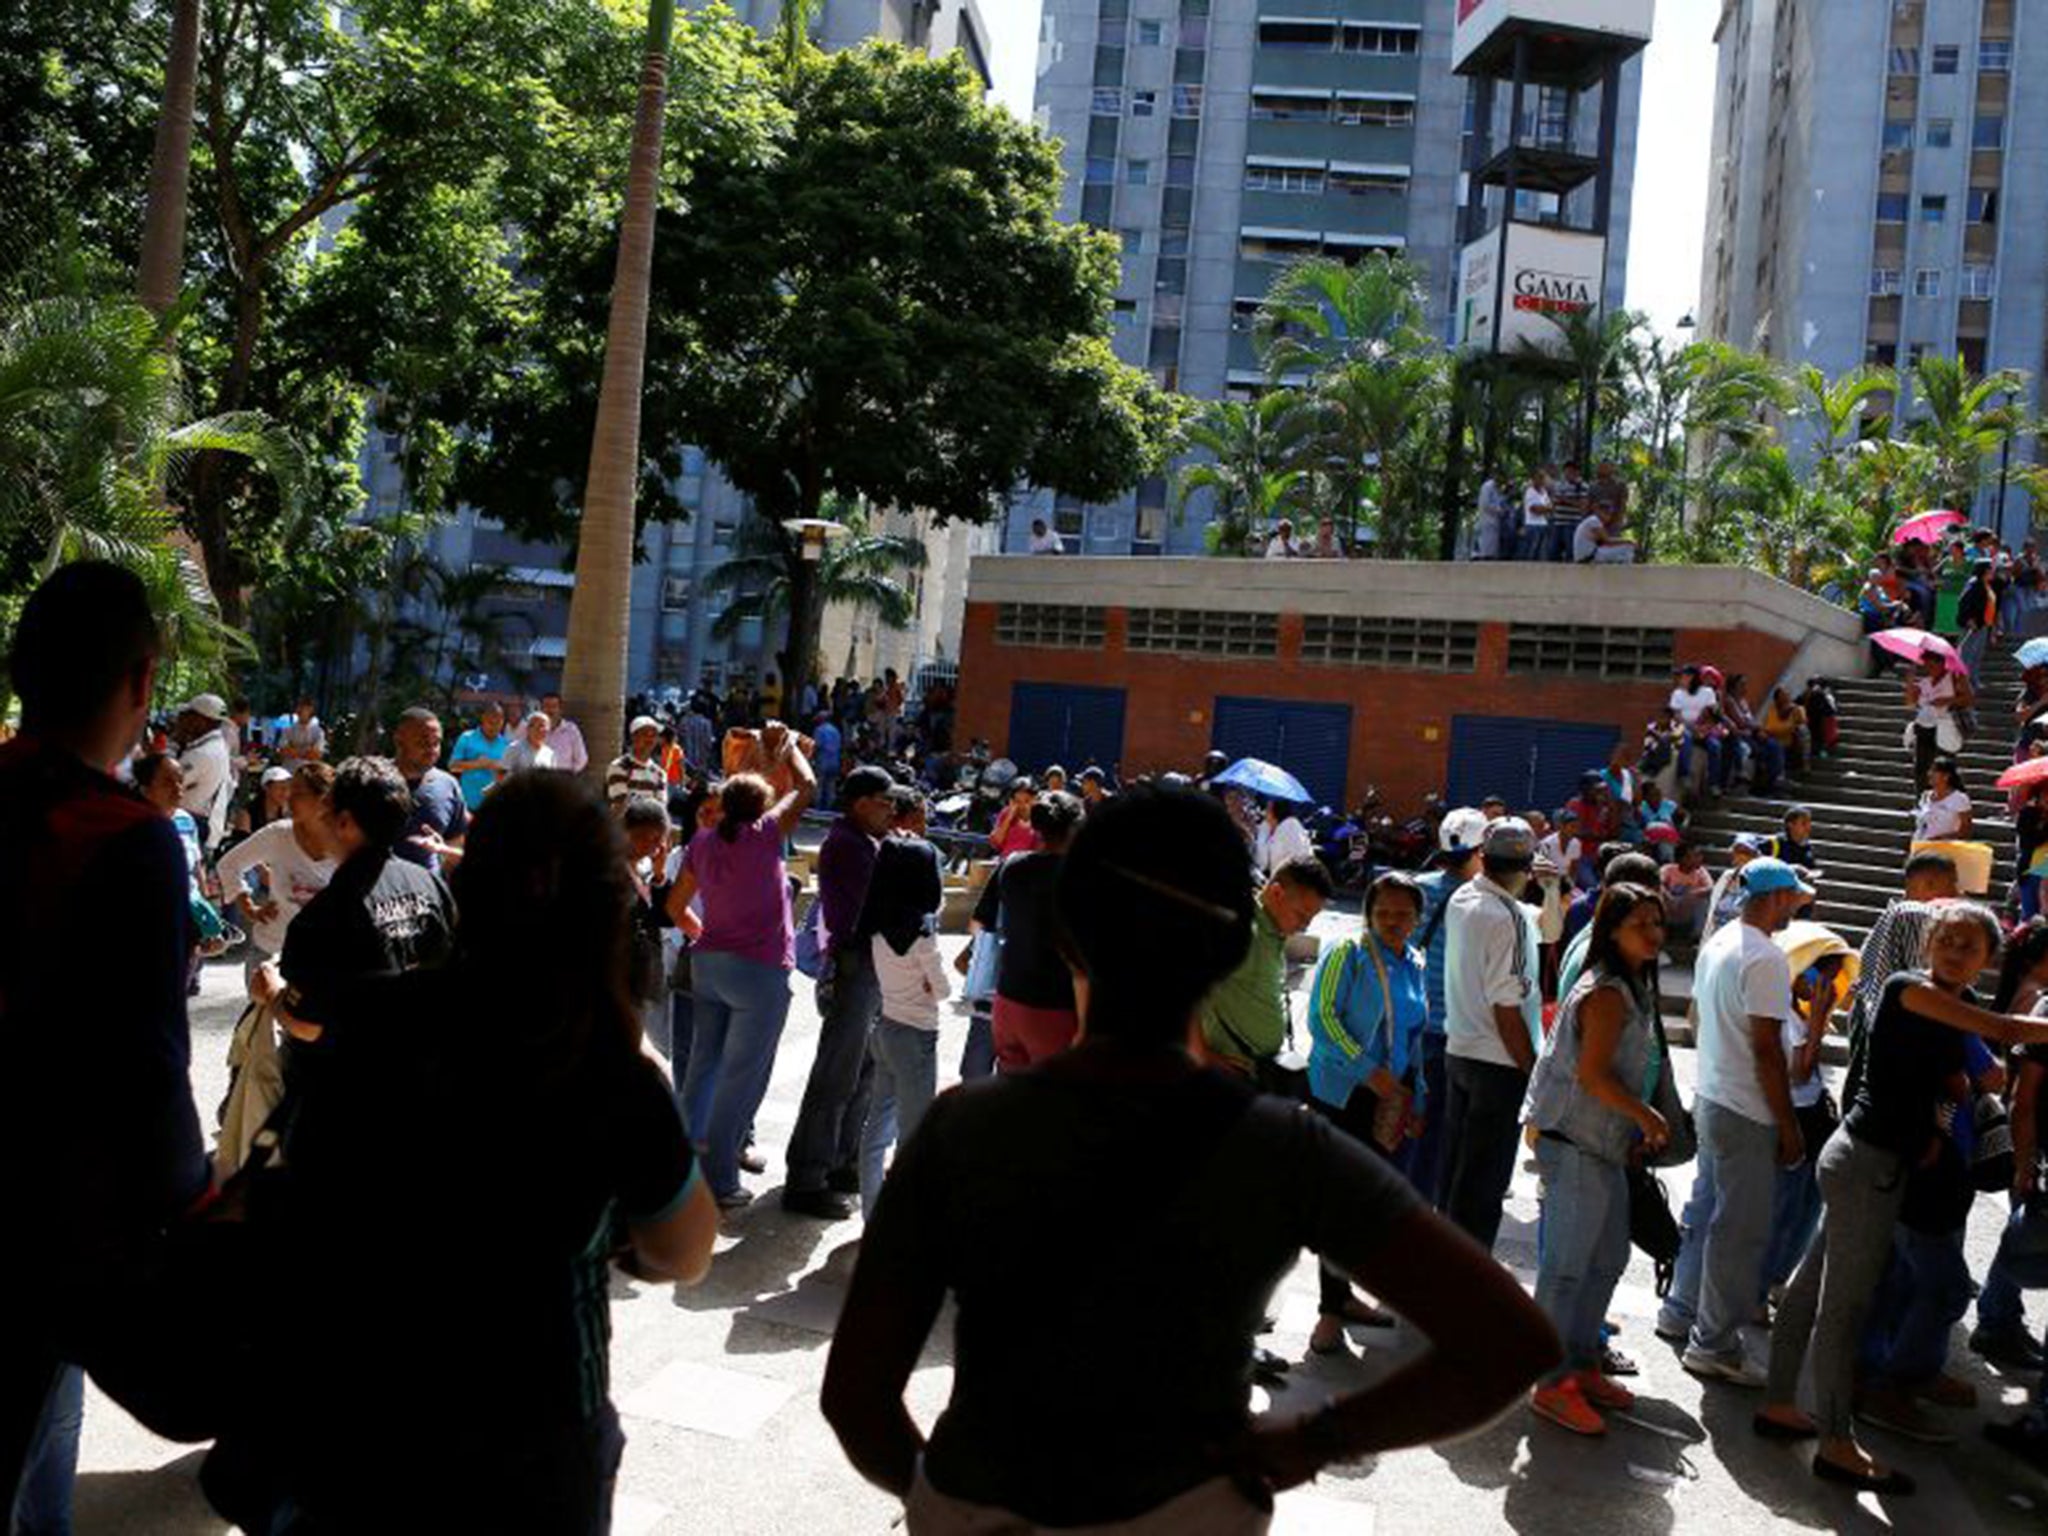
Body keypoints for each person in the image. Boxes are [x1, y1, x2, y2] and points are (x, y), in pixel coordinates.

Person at [820, 786, 1563, 1530]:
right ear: (1234, 950)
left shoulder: (964, 1129)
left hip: (979, 1497)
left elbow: (855, 1397)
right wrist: (1315, 1438)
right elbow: (1509, 1340)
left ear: (1066, 937)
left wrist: (944, 1500)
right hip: (1190, 1507)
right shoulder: (1281, 1150)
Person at [234, 770, 719, 1531]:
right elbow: (686, 1250)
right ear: (604, 909)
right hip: (535, 1440)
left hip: (366, 1423)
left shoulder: (374, 1022)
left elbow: (312, 1186)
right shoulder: (610, 1071)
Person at [0, 564, 213, 1523]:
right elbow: (147, 1066)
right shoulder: (128, 842)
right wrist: (196, 1206)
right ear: (140, 684)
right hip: (46, 1211)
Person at [1756, 904, 2048, 1494]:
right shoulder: (1907, 987)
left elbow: (1973, 1072)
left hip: (1862, 1162)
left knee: (1812, 1287)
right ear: (1927, 944)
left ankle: (1781, 1403)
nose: (1957, 950)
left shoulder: (1945, 1011)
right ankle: (1836, 1442)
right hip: (1867, 1166)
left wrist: (1945, 1108)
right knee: (1843, 1308)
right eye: (1948, 939)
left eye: (1971, 946)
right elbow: (2006, 1035)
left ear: (1988, 960)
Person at [1523, 884, 1674, 1435]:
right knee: (1565, 1268)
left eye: (1658, 923)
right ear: (1612, 930)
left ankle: (1581, 1363)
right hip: (1575, 1139)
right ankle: (1550, 1383)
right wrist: (1645, 1115)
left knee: (1607, 1258)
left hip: (1603, 1143)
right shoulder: (1608, 991)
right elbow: (1590, 1076)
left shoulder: (1633, 985)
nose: (1654, 933)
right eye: (1641, 924)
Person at [1655, 859, 1810, 1385]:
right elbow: (1768, 1050)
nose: (1798, 905)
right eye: (1794, 897)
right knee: (1737, 1232)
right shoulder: (1764, 956)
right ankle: (1714, 1343)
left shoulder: (1721, 940)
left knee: (1706, 1213)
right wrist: (1787, 1126)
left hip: (1715, 1096)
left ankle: (1680, 1311)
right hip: (1745, 1107)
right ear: (1774, 898)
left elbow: (1705, 1020)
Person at [667, 732, 817, 1208]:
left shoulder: (702, 843)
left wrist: (704, 935)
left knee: (702, 1071)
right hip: (759, 972)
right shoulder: (767, 833)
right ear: (762, 806)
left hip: (708, 965)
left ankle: (683, 1170)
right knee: (739, 1078)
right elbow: (809, 786)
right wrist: (790, 747)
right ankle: (720, 1180)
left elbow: (675, 906)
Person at [1306, 872, 1429, 1356]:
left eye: (1403, 913)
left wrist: (1414, 1096)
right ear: (1368, 914)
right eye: (1383, 913)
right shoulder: (1348, 953)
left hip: (1385, 1098)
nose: (1393, 922)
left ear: (1418, 916)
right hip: (1341, 1095)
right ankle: (1329, 1313)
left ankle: (1345, 1296)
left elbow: (1415, 1036)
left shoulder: (1414, 962)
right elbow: (1322, 1018)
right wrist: (1367, 1070)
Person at [785, 764, 896, 1220]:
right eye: (885, 801)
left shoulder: (866, 843)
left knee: (864, 1073)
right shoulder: (848, 846)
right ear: (862, 802)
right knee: (836, 1077)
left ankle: (842, 1163)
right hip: (856, 970)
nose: (892, 809)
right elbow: (865, 914)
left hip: (873, 970)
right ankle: (807, 1177)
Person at [1439, 817, 1544, 1251]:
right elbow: (1507, 1010)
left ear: (1483, 857)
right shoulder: (1509, 918)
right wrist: (1534, 1074)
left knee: (1456, 1181)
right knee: (1482, 1191)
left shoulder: (1462, 898)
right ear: (1527, 868)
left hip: (1459, 1052)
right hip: (1498, 1063)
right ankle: (1463, 1293)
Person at [856, 791, 948, 1218]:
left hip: (886, 1027)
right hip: (917, 1037)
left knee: (877, 1128)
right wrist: (932, 984)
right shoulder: (923, 936)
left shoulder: (874, 930)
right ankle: (906, 1224)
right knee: (914, 1137)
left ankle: (874, 1213)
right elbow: (944, 990)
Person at [1760, 924, 1855, 1303]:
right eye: (1819, 975)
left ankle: (1776, 1279)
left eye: (1831, 979)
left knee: (1807, 1207)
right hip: (1794, 1119)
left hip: (1812, 1115)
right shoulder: (1784, 1014)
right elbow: (1797, 1073)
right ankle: (1763, 1283)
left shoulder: (1797, 1011)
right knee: (1786, 1208)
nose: (1825, 986)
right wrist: (1816, 1023)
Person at [1405, 809, 1487, 1201]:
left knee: (1403, 1125)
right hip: (1446, 1034)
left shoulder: (1414, 888)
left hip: (1406, 1027)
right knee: (1434, 1135)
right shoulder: (1480, 903)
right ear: (1480, 850)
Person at [972, 793, 1087, 1071]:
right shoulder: (1081, 879)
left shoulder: (1011, 866)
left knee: (1012, 1097)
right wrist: (1085, 1026)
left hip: (1008, 1000)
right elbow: (1080, 965)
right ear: (1075, 828)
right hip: (1054, 1009)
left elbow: (980, 923)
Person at [1198, 857, 1332, 1086]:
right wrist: (1205, 1058)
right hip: (1224, 1074)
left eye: (1310, 920)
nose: (1304, 927)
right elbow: (1178, 988)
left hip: (1256, 1070)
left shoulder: (1273, 930)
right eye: (1301, 915)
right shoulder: (1241, 930)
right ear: (1277, 893)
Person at [215, 762, 337, 979]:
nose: (289, 797)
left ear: (324, 799)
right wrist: (249, 908)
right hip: (270, 954)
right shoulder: (278, 834)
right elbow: (229, 865)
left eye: (298, 792)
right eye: (288, 789)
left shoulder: (346, 840)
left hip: (324, 960)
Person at [390, 707, 467, 876]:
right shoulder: (374, 780)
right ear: (399, 740)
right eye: (423, 742)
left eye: (436, 742)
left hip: (426, 895)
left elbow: (456, 843)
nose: (432, 749)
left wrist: (438, 880)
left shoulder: (448, 785)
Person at [172, 692, 235, 851]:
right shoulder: (215, 746)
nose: (182, 720)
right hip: (198, 828)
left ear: (200, 721)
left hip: (191, 831)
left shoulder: (203, 753)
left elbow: (162, 783)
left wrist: (170, 746)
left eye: (188, 716)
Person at [1905, 652, 1970, 794]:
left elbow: (1968, 699)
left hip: (1944, 729)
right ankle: (1922, 802)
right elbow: (1910, 703)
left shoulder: (1954, 677)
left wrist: (1947, 700)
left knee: (1944, 768)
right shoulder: (1924, 682)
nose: (1928, 668)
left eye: (1931, 665)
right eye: (1926, 665)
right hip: (1923, 728)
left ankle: (1952, 800)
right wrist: (1910, 682)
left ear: (1942, 663)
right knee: (1921, 768)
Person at [1669, 666, 1722, 798]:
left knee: (1715, 746)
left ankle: (1713, 783)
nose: (1681, 680)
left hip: (1702, 729)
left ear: (1692, 678)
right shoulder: (1677, 694)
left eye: (1684, 677)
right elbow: (1677, 716)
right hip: (1685, 728)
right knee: (1685, 737)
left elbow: (1713, 714)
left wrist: (1705, 728)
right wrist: (1693, 728)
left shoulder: (1708, 692)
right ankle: (1684, 775)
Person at [448, 702, 511, 810]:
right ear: (483, 719)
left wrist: (500, 767)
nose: (494, 726)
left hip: (496, 805)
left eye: (498, 723)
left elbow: (510, 774)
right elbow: (453, 767)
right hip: (468, 805)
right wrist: (479, 764)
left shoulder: (507, 744)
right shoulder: (466, 737)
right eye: (490, 722)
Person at [606, 715, 668, 814]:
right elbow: (620, 806)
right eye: (645, 734)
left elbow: (660, 808)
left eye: (654, 734)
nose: (650, 738)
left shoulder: (660, 773)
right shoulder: (619, 766)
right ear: (633, 737)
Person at [1913, 755, 1973, 843]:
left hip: (1946, 850)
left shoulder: (1960, 799)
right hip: (1922, 848)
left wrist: (1941, 839)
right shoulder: (1925, 796)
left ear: (1946, 776)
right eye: (1930, 770)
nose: (1930, 774)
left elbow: (1965, 831)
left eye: (1934, 771)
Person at [1661, 842, 1713, 942]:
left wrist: (1692, 894)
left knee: (1703, 902)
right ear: (1683, 858)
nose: (1700, 858)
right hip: (1670, 909)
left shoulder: (1701, 872)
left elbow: (1711, 887)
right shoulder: (1668, 869)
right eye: (1696, 856)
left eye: (1700, 855)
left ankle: (1696, 936)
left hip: (1688, 911)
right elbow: (1658, 883)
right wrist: (1668, 897)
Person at [1256, 797, 1314, 879]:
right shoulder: (1267, 828)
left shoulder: (1291, 826)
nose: (1264, 812)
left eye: (1267, 809)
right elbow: (1263, 862)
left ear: (1277, 811)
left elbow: (1300, 856)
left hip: (1295, 877)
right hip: (1279, 878)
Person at [541, 691, 589, 776]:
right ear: (541, 709)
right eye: (547, 706)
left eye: (554, 706)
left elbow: (582, 759)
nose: (550, 710)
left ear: (560, 709)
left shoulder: (571, 730)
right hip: (540, 781)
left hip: (564, 782)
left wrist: (568, 777)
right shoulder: (535, 730)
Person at [989, 777, 1040, 857]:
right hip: (1006, 863)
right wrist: (1009, 817)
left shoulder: (1041, 815)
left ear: (1034, 799)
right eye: (1018, 801)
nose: (1022, 806)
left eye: (1027, 801)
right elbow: (996, 842)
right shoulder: (1006, 813)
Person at [502, 709, 558, 774]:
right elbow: (503, 776)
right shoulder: (514, 749)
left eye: (541, 725)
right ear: (527, 729)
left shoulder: (550, 754)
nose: (537, 729)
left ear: (548, 730)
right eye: (532, 725)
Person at [1518, 467, 1553, 561]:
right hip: (1532, 526)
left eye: (1543, 477)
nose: (1542, 480)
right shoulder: (1530, 492)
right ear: (1534, 479)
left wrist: (1545, 508)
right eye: (1539, 477)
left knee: (1542, 554)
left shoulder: (1544, 492)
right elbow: (1534, 509)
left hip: (1543, 524)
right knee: (1531, 552)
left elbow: (1550, 506)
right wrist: (1546, 508)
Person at [1475, 473, 1509, 560]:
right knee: (1486, 543)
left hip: (1494, 521)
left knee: (1492, 545)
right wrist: (1498, 510)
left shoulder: (1496, 488)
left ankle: (1489, 558)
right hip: (1487, 519)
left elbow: (1498, 501)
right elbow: (1485, 504)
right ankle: (1483, 559)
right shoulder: (1487, 487)